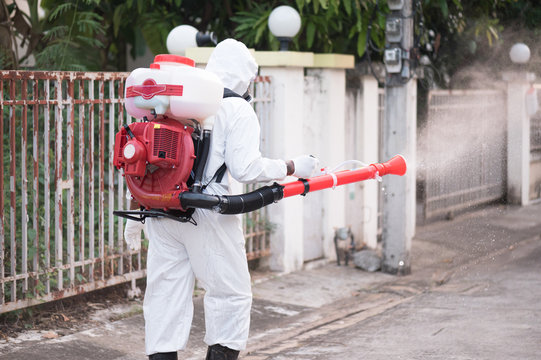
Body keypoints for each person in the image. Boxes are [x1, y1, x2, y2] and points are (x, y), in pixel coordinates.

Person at [124, 38, 319, 360]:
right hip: (208, 211)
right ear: (245, 76)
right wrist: (292, 166)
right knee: (230, 293)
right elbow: (246, 169)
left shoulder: (174, 102)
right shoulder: (235, 107)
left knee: (165, 294)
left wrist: (137, 211)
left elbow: (146, 162)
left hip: (161, 208)